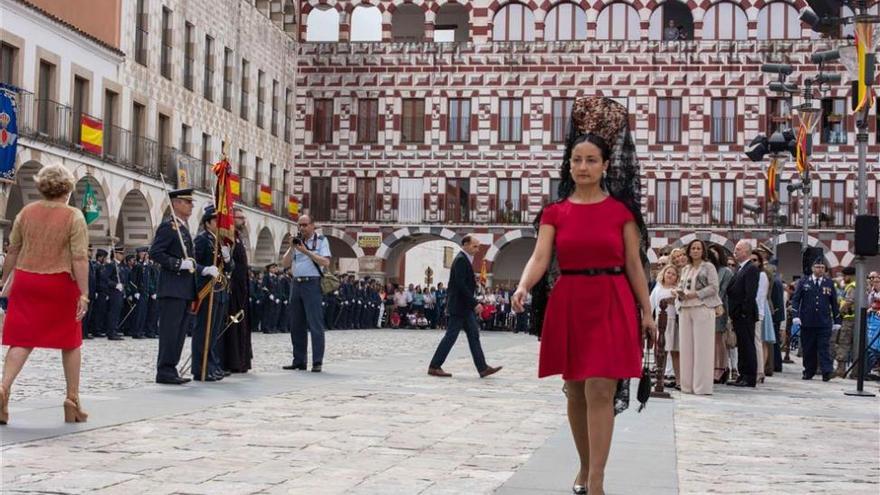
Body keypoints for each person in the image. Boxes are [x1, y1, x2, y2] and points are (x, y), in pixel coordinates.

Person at [510, 97, 655, 495]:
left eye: (592, 160)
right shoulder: (554, 212)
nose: (584, 167)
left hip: (611, 299)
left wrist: (647, 311)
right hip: (570, 299)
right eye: (577, 160)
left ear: (606, 165)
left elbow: (634, 266)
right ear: (569, 164)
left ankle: (597, 480)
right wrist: (523, 285)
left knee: (600, 388)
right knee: (574, 388)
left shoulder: (622, 213)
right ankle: (585, 464)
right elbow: (541, 257)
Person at [0, 164, 90, 424]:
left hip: (27, 281)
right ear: (68, 188)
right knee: (71, 341)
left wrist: (4, 279)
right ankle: (72, 400)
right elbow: (79, 258)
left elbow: (13, 250)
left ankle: (4, 388)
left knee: (22, 338)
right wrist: (84, 293)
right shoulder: (74, 216)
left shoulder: (26, 213)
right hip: (60, 283)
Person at [150, 188, 211, 385]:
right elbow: (156, 252)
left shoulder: (183, 228)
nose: (191, 205)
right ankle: (164, 370)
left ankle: (171, 368)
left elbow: (190, 261)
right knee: (170, 331)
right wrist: (177, 264)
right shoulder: (169, 227)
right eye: (187, 202)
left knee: (179, 332)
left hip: (185, 289)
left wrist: (203, 269)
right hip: (172, 288)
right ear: (176, 203)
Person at [428, 234, 503, 379]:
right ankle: (434, 366)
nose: (477, 249)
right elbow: (461, 286)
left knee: (474, 335)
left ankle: (482, 368)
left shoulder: (465, 260)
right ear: (465, 245)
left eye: (478, 246)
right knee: (451, 336)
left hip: (464, 308)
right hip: (458, 307)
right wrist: (475, 303)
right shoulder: (461, 260)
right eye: (474, 246)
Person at [281, 214, 331, 373]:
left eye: (304, 225)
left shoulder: (321, 241)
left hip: (312, 283)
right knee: (296, 324)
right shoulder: (297, 242)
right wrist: (292, 247)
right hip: (296, 283)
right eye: (299, 225)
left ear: (312, 225)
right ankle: (299, 360)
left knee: (315, 324)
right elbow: (285, 263)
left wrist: (306, 251)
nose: (301, 228)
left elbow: (325, 262)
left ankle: (317, 361)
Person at [676, 239, 721, 395]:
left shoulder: (708, 267)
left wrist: (695, 294)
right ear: (689, 251)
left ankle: (702, 387)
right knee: (686, 348)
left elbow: (714, 288)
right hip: (685, 308)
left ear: (703, 251)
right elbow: (681, 286)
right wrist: (678, 293)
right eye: (693, 248)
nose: (695, 251)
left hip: (703, 307)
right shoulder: (685, 269)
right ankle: (686, 386)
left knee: (703, 348)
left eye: (698, 248)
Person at [790, 258, 841, 381]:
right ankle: (809, 371)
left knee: (824, 347)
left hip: (824, 321)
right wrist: (795, 315)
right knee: (809, 348)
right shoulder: (804, 282)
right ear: (813, 268)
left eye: (822, 267)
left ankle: (827, 371)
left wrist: (837, 320)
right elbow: (796, 300)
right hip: (807, 321)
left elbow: (834, 303)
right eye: (818, 267)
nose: (820, 269)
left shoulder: (829, 283)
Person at [727, 240, 760, 387]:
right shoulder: (741, 269)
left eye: (738, 249)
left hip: (745, 315)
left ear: (746, 251)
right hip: (737, 314)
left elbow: (750, 294)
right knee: (742, 345)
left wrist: (744, 312)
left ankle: (749, 376)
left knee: (747, 345)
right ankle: (742, 374)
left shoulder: (751, 269)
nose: (735, 252)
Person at [223, 208, 253, 373]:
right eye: (240, 218)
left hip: (242, 287)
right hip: (233, 287)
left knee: (242, 323)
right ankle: (232, 360)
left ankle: (242, 360)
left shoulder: (238, 238)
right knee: (233, 323)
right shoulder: (229, 239)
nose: (244, 221)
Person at [708, 245, 733, 384]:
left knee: (718, 339)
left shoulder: (726, 272)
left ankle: (720, 368)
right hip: (706, 308)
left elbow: (722, 292)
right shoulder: (706, 269)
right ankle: (710, 367)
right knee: (710, 340)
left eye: (715, 253)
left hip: (719, 308)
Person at [834, 266, 856, 377]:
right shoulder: (851, 286)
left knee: (843, 343)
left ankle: (840, 369)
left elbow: (849, 302)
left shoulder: (852, 286)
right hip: (853, 319)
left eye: (845, 276)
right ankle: (856, 371)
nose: (843, 278)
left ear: (850, 276)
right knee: (854, 345)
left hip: (849, 319)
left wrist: (839, 311)